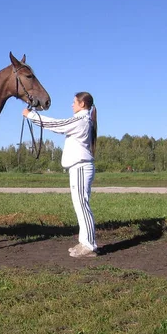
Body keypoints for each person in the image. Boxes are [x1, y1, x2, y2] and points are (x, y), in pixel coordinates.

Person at [23, 91, 98, 258]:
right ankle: (84, 242)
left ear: (82, 104)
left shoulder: (81, 120)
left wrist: (32, 116)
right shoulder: (84, 119)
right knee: (80, 206)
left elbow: (58, 125)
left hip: (80, 167)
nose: (72, 105)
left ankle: (89, 245)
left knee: (82, 206)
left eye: (74, 102)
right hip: (78, 167)